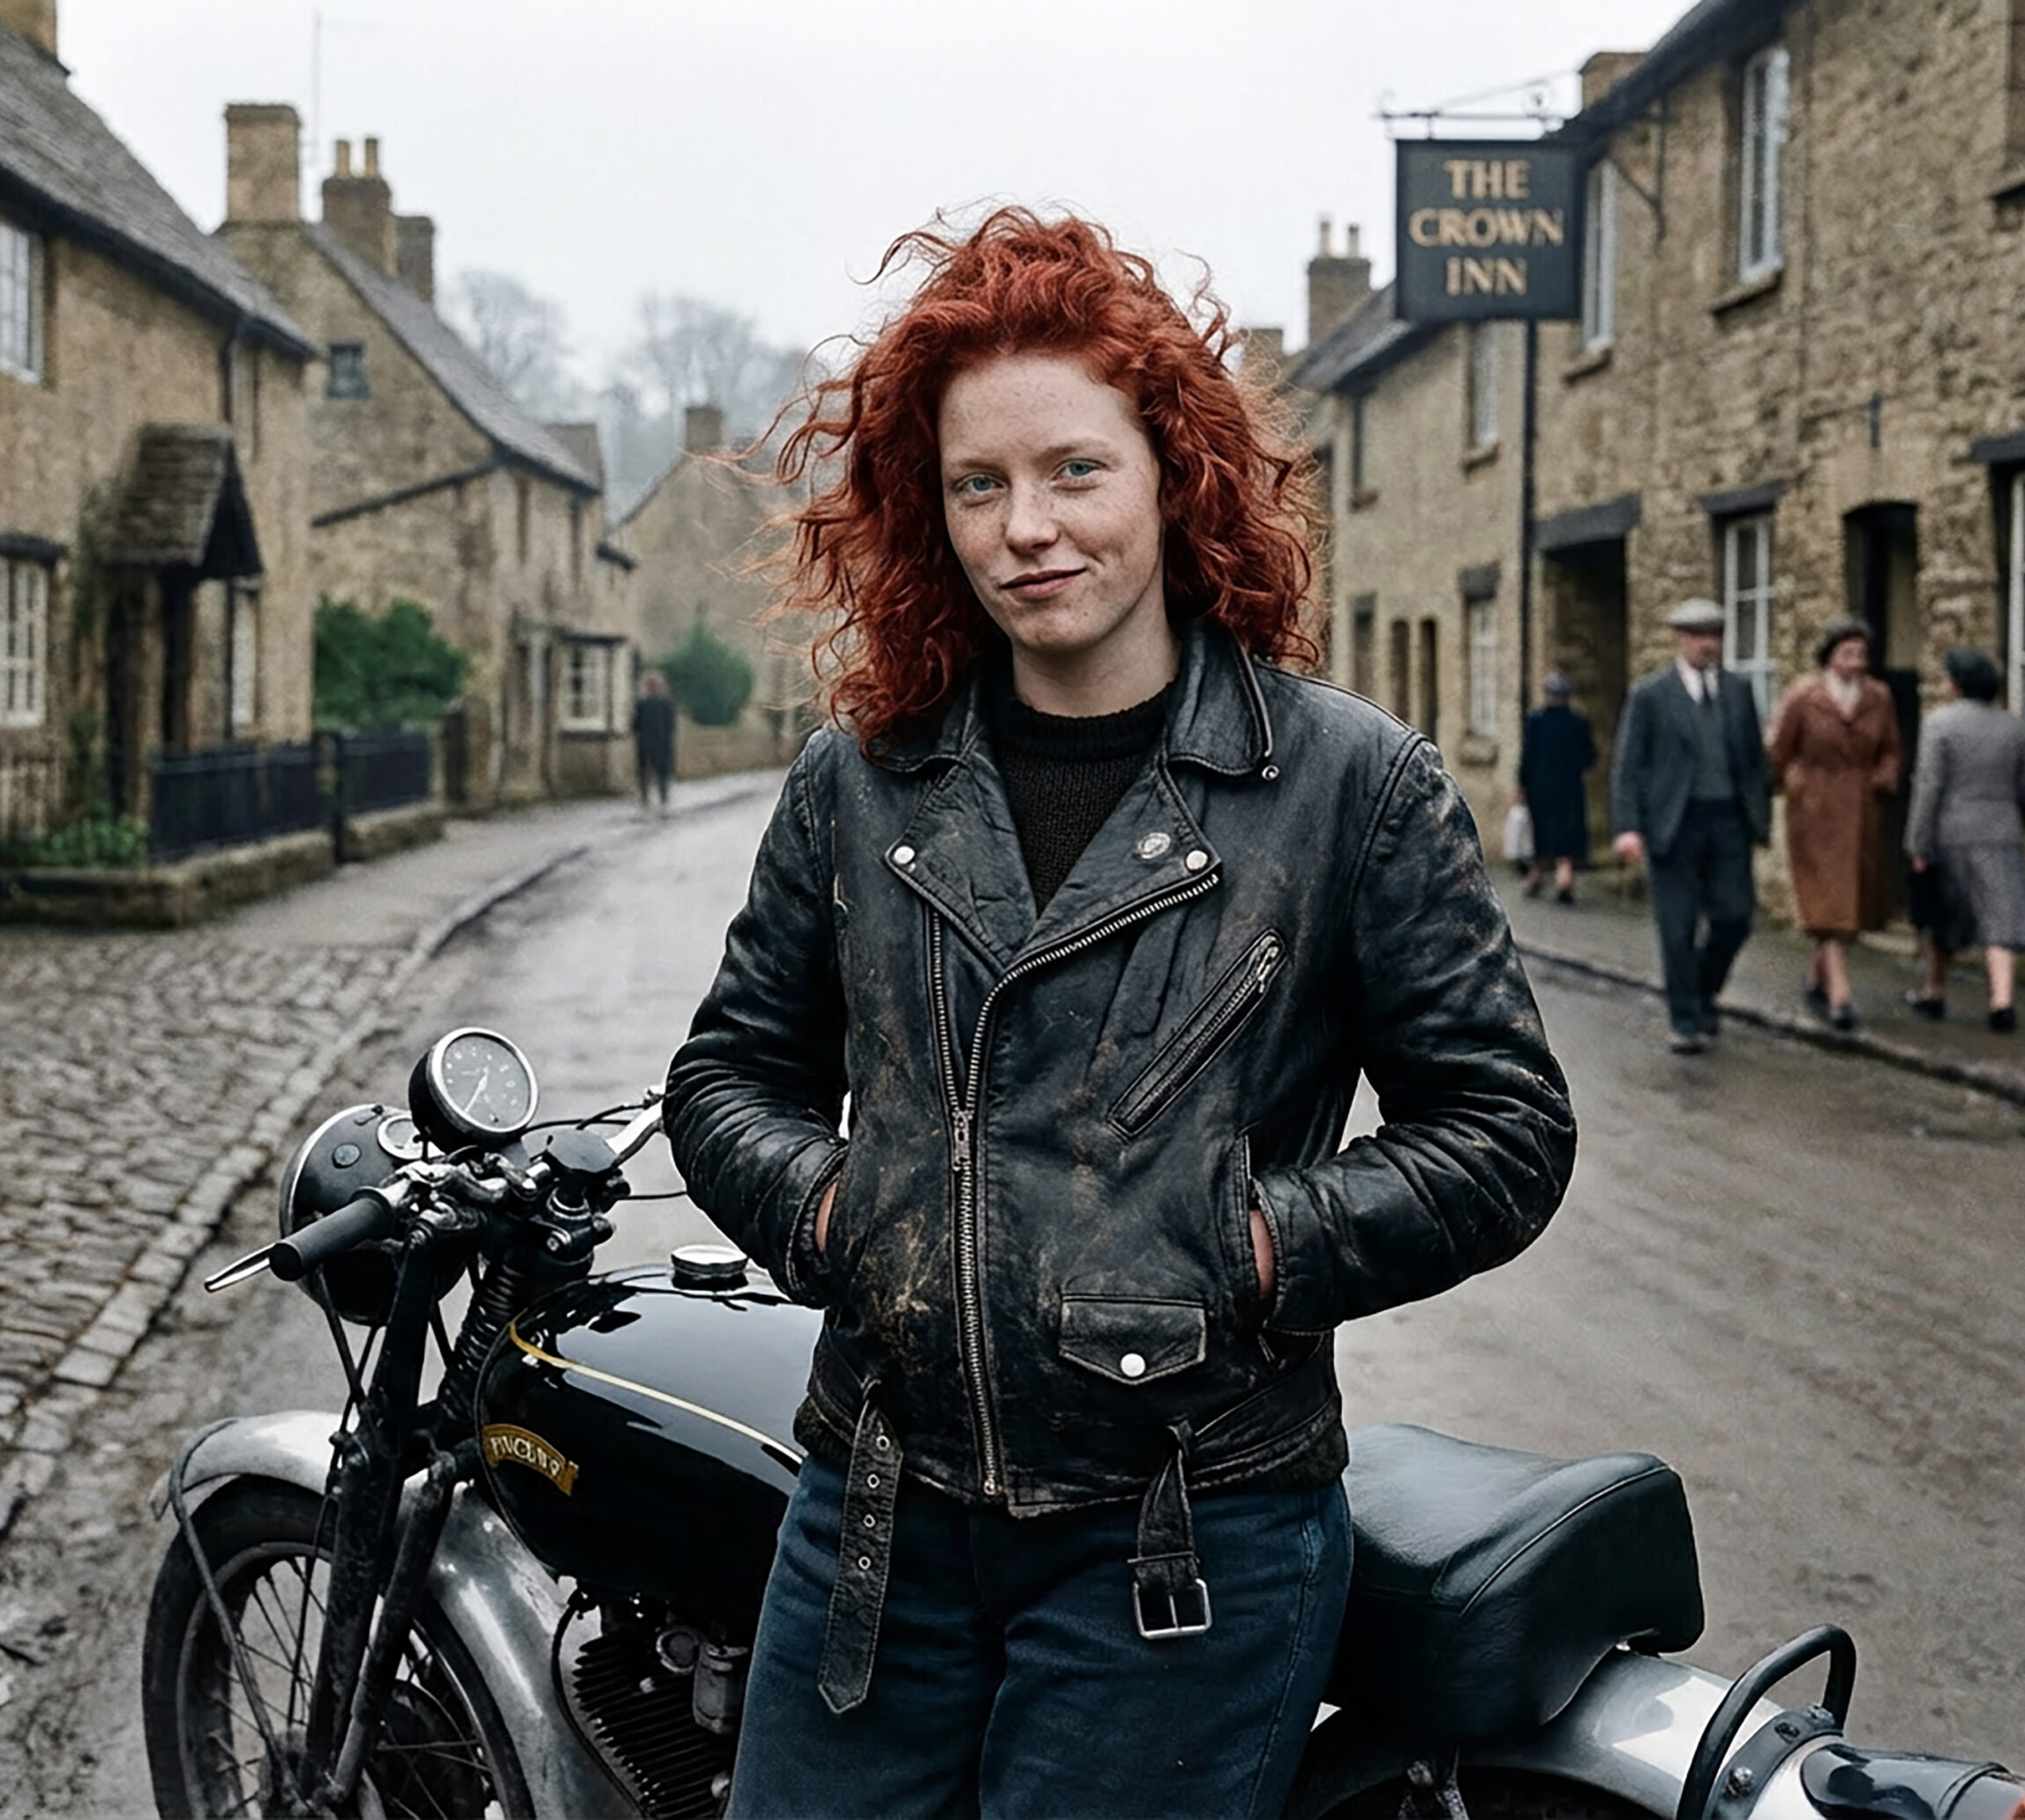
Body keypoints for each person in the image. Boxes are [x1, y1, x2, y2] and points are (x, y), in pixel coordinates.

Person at [664, 208, 1576, 1820]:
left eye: (1075, 470)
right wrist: (835, 1206)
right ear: (928, 510)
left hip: (1185, 1535)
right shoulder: (860, 781)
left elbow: (1503, 1133)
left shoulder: (1348, 788)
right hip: (873, 1518)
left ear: (1172, 472)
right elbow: (732, 1069)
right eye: (979, 484)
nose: (1030, 526)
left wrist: (1252, 1245)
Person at [1609, 597, 1772, 1054]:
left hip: (1727, 821)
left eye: (1715, 636)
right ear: (1681, 639)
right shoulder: (1651, 694)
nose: (1708, 645)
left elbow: (1755, 763)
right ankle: (1685, 1018)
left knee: (1735, 918)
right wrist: (1628, 826)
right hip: (1673, 824)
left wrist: (1759, 817)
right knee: (1677, 928)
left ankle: (1702, 991)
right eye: (1699, 636)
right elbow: (1628, 764)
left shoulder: (1738, 692)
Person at [1765, 618, 1901, 1032]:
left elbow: (1892, 749)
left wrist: (1881, 779)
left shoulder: (1879, 696)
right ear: (1829, 656)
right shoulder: (1804, 696)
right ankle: (1841, 997)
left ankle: (1816, 977)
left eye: (1862, 654)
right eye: (1847, 653)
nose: (1856, 662)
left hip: (1861, 810)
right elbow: (1777, 748)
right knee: (1827, 901)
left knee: (1847, 900)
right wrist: (1795, 783)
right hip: (1814, 812)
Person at [1903, 647, 2025, 1034]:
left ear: (1957, 683)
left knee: (1943, 916)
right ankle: (2002, 1001)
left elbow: (1928, 786)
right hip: (2002, 830)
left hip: (1953, 832)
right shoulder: (2013, 726)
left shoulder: (1939, 724)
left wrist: (1917, 843)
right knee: (2001, 917)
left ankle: (1934, 992)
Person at [1518, 671, 1595, 903]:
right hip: (1570, 786)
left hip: (1540, 786)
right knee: (1568, 831)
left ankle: (1535, 877)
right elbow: (1590, 755)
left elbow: (1528, 756)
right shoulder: (1578, 722)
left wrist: (1521, 784)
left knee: (1540, 831)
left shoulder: (1536, 721)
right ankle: (1565, 879)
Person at [633, 670, 677, 812]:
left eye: (653, 685)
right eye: (648, 685)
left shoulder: (665, 704)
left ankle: (663, 796)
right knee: (643, 771)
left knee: (662, 772)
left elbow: (671, 724)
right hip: (645, 742)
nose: (650, 688)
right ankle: (644, 797)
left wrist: (666, 739)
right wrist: (637, 734)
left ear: (658, 687)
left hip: (661, 743)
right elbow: (636, 722)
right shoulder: (641, 704)